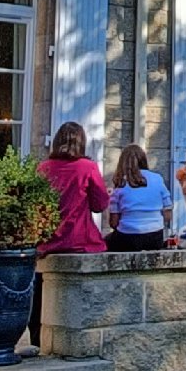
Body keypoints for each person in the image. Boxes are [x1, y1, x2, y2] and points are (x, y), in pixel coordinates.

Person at [32, 121, 108, 350]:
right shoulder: (87, 167)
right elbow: (99, 204)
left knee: (40, 295)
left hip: (48, 242)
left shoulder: (43, 168)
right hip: (79, 240)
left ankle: (37, 338)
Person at [104, 144, 173, 252]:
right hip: (155, 237)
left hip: (128, 237)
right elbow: (168, 215)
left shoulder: (120, 184)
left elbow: (114, 223)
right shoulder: (158, 179)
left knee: (105, 242)